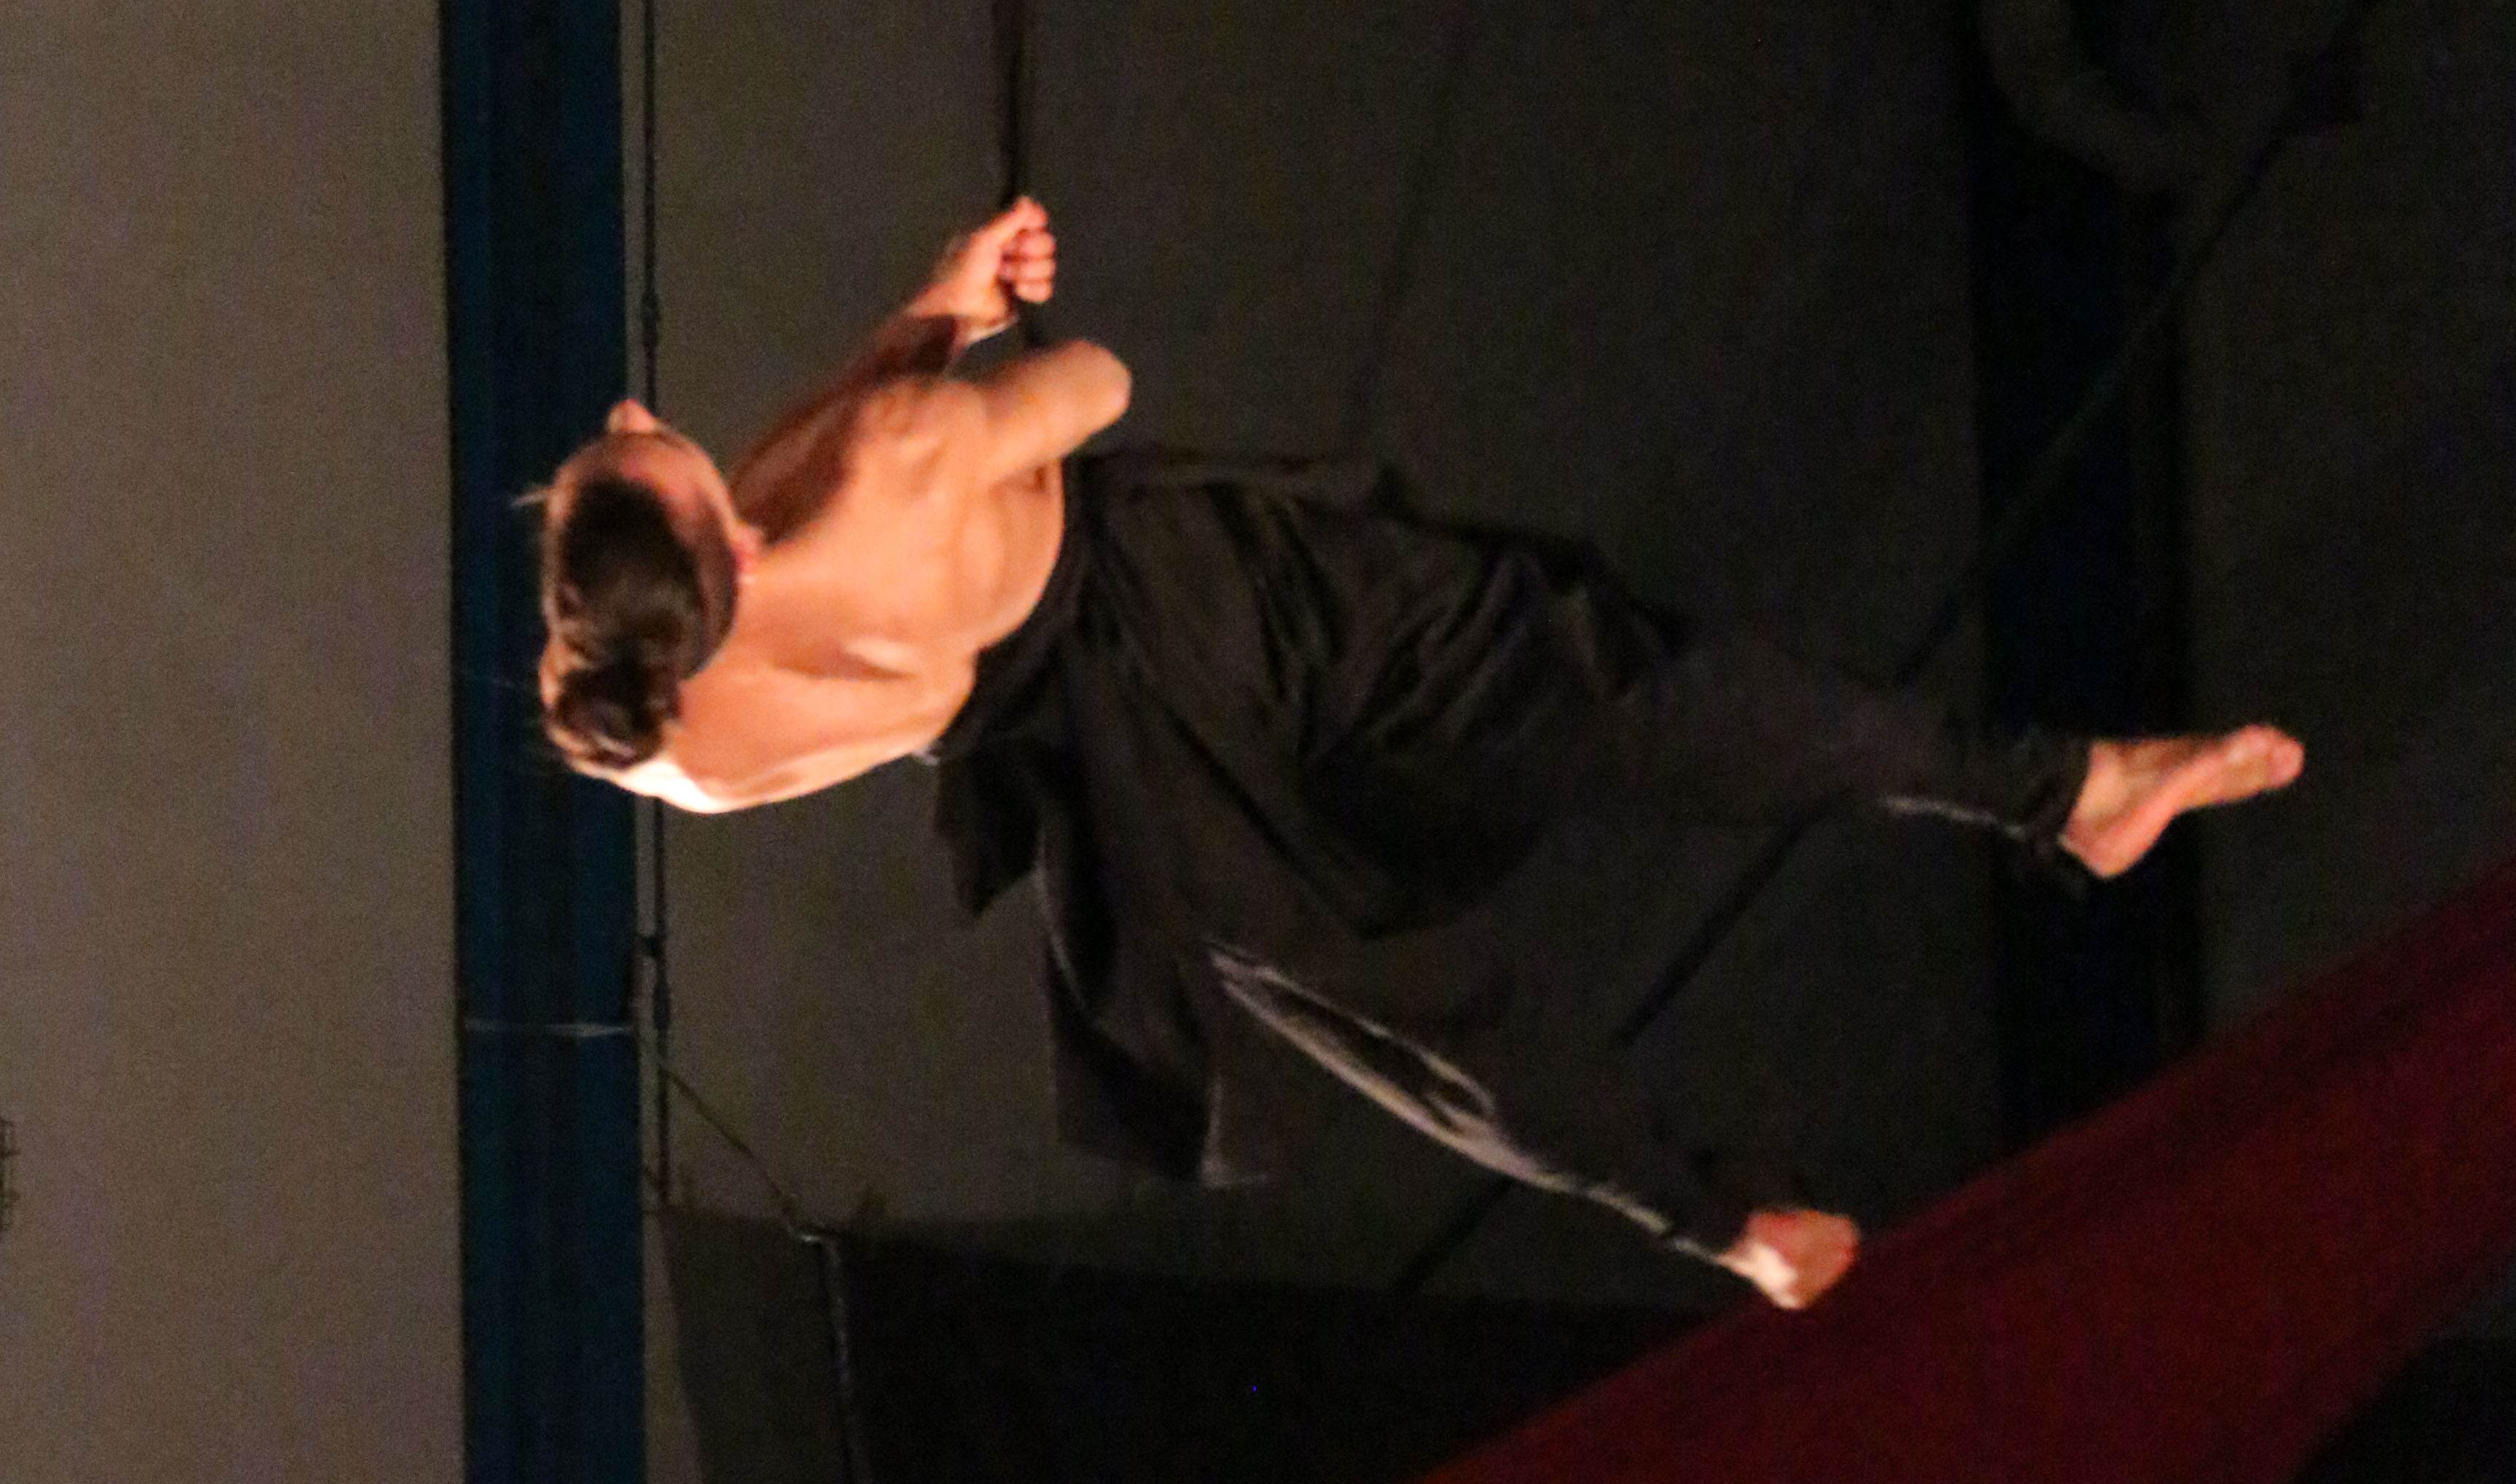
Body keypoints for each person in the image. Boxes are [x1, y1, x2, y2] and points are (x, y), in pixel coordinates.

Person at [537, 200, 2303, 1308]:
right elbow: (1096, 391)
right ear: (726, 537)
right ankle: (2062, 790)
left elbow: (715, 564)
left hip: (1117, 796)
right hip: (1204, 602)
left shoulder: (655, 740)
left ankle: (1724, 1228)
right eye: (653, 441)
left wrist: (914, 328)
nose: (629, 413)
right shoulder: (887, 468)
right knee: (1609, 682)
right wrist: (947, 330)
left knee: (1421, 1023)